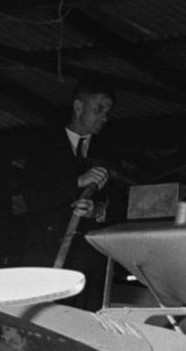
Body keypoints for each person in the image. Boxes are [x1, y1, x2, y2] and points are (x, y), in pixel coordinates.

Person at [14, 78, 121, 292]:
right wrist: (78, 182)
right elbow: (33, 197)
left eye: (107, 112)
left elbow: (121, 203)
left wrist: (97, 211)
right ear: (79, 106)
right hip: (46, 259)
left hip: (88, 267)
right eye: (99, 109)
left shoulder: (109, 153)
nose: (104, 117)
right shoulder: (43, 145)